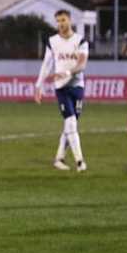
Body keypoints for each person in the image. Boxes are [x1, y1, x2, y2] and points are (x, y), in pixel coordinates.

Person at [34, 10, 89, 172]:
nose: (60, 24)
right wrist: (39, 86)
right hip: (61, 88)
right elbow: (46, 64)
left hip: (77, 86)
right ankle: (80, 161)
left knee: (70, 125)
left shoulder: (81, 41)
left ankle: (59, 158)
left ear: (70, 20)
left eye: (63, 20)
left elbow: (81, 65)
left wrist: (66, 73)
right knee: (71, 122)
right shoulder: (52, 41)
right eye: (58, 21)